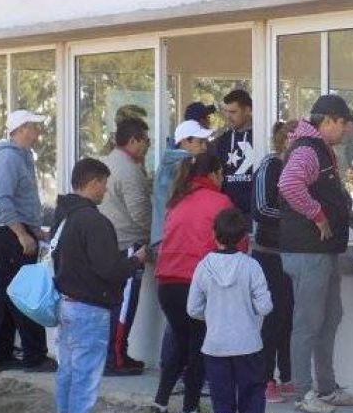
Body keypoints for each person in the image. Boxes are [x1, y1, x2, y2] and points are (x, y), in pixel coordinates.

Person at [50, 158, 150, 413]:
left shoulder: (64, 216)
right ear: (93, 183)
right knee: (84, 380)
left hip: (66, 304)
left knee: (67, 374)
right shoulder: (94, 221)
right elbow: (109, 268)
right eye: (104, 184)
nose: (106, 190)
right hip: (90, 309)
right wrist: (136, 261)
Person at [279, 94, 353, 413]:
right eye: (342, 124)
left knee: (330, 318)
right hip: (307, 251)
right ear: (327, 120)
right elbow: (289, 184)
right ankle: (304, 392)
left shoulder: (319, 149)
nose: (345, 130)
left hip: (321, 251)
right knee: (308, 322)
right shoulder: (307, 149)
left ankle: (326, 388)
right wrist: (317, 215)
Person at [146, 153, 245, 413]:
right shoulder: (220, 202)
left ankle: (160, 405)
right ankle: (189, 412)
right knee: (199, 348)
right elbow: (237, 242)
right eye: (221, 173)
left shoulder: (177, 200)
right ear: (213, 174)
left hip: (166, 283)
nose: (223, 178)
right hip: (196, 284)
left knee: (179, 343)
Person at [187, 209, 275, 413]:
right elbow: (266, 306)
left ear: (214, 234)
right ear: (243, 237)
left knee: (221, 401)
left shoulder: (203, 267)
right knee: (252, 397)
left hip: (215, 347)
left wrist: (213, 314)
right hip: (248, 344)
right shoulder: (251, 266)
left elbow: (193, 308)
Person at [0, 109, 55, 373]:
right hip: (8, 234)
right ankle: (34, 355)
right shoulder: (8, 158)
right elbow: (1, 202)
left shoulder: (22, 157)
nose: (38, 132)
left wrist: (34, 229)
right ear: (21, 129)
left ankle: (0, 355)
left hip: (16, 231)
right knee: (26, 294)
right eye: (34, 127)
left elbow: (20, 200)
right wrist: (21, 233)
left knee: (7, 295)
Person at [99, 116, 152, 376]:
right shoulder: (129, 170)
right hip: (129, 243)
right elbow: (140, 214)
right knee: (123, 305)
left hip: (110, 242)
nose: (146, 148)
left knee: (112, 303)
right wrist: (156, 236)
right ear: (133, 141)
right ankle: (116, 357)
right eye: (145, 142)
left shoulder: (109, 161)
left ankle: (114, 353)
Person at [251, 120, 297, 403]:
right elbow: (261, 209)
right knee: (274, 317)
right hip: (269, 254)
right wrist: (295, 221)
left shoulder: (298, 170)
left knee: (289, 317)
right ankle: (265, 378)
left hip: (291, 254)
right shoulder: (269, 167)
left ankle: (288, 376)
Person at [150, 119, 214, 254]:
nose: (205, 147)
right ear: (185, 141)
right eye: (200, 142)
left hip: (164, 239)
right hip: (170, 241)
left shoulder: (170, 162)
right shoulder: (179, 165)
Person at [213, 89, 255, 215]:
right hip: (228, 215)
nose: (228, 116)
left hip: (255, 214)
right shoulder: (222, 141)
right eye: (226, 112)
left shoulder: (262, 137)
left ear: (247, 110)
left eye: (233, 112)